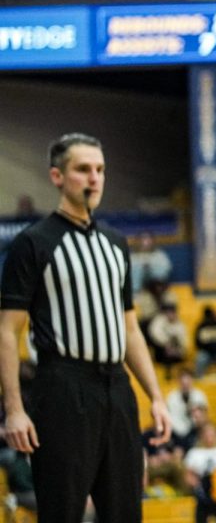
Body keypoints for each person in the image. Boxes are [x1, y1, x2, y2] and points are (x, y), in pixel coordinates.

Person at [0, 132, 172, 521]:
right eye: (83, 170)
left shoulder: (115, 243)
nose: (94, 178)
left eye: (100, 170)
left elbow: (129, 329)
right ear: (57, 177)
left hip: (117, 389)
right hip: (62, 387)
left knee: (125, 511)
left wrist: (156, 396)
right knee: (63, 511)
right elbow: (6, 330)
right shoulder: (33, 243)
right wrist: (14, 409)